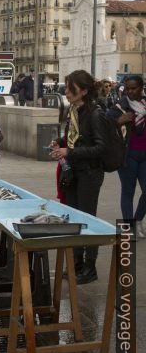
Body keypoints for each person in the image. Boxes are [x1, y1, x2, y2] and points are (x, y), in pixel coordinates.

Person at [49, 69, 106, 285]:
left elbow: (100, 148)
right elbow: (73, 138)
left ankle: (90, 267)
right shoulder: (74, 110)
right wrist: (60, 143)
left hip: (89, 173)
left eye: (70, 89)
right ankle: (77, 263)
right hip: (74, 171)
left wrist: (69, 152)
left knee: (88, 219)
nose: (66, 92)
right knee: (73, 217)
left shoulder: (95, 113)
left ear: (83, 91)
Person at [107, 75, 146, 238]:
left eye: (134, 88)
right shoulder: (119, 107)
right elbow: (104, 126)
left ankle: (137, 220)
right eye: (127, 88)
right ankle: (128, 228)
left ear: (141, 88)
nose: (130, 91)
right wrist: (118, 121)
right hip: (127, 156)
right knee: (128, 192)